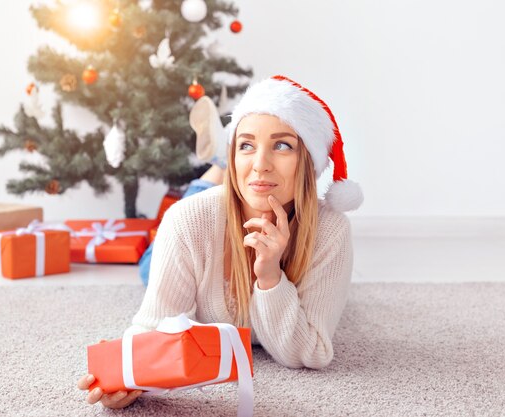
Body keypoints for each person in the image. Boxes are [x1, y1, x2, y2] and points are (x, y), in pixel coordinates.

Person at [77, 75, 364, 409]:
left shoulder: (331, 231)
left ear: (309, 163)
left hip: (236, 198)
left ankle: (217, 169)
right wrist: (128, 374)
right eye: (246, 145)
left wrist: (270, 276)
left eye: (282, 145)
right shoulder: (186, 221)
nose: (260, 164)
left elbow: (311, 352)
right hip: (206, 209)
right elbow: (154, 324)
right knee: (147, 267)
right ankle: (214, 172)